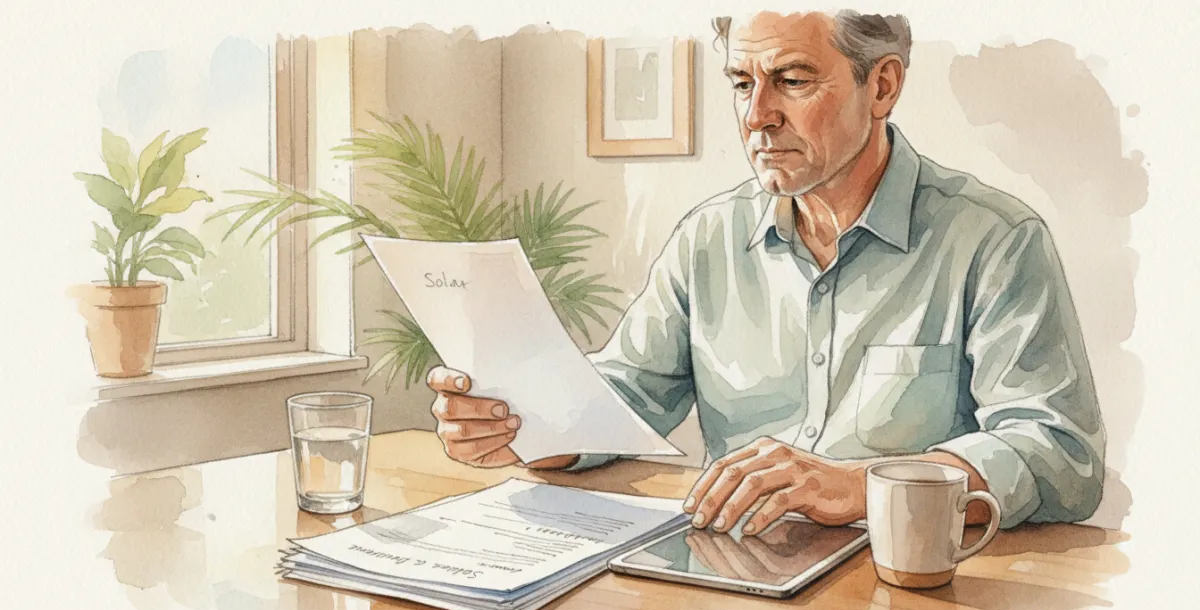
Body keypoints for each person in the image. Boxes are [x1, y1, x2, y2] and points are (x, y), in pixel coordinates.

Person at [424, 10, 1105, 536]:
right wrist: (519, 425)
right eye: (742, 84)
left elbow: (1058, 454)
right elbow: (625, 397)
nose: (757, 117)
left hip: (918, 599)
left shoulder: (994, 240)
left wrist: (860, 486)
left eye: (792, 80)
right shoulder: (707, 240)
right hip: (736, 586)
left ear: (884, 85)